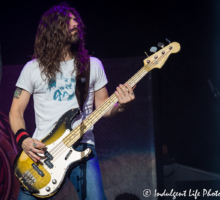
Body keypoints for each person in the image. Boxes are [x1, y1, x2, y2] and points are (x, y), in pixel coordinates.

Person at [9, 3, 135, 200]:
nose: (75, 23)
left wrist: (122, 106)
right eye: (68, 20)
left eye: (76, 19)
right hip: (41, 153)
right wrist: (24, 140)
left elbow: (103, 107)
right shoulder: (32, 69)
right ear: (52, 28)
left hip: (82, 146)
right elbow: (16, 110)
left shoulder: (93, 65)